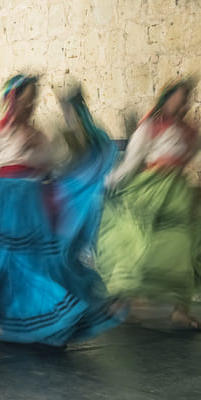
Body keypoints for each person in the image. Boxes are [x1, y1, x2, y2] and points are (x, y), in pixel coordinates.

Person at [0, 75, 127, 346]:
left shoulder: (39, 135)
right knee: (0, 263)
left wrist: (86, 160)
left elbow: (58, 165)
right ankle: (17, 319)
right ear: (11, 101)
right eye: (25, 101)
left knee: (38, 263)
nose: (29, 107)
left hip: (32, 205)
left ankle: (58, 315)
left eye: (33, 102)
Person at [98, 79, 201, 328]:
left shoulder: (188, 130)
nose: (184, 102)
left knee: (186, 247)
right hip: (151, 189)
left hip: (178, 191)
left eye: (187, 98)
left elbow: (191, 152)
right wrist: (109, 184)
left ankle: (180, 308)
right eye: (180, 96)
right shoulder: (150, 127)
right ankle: (121, 301)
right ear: (167, 98)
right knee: (140, 243)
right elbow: (132, 162)